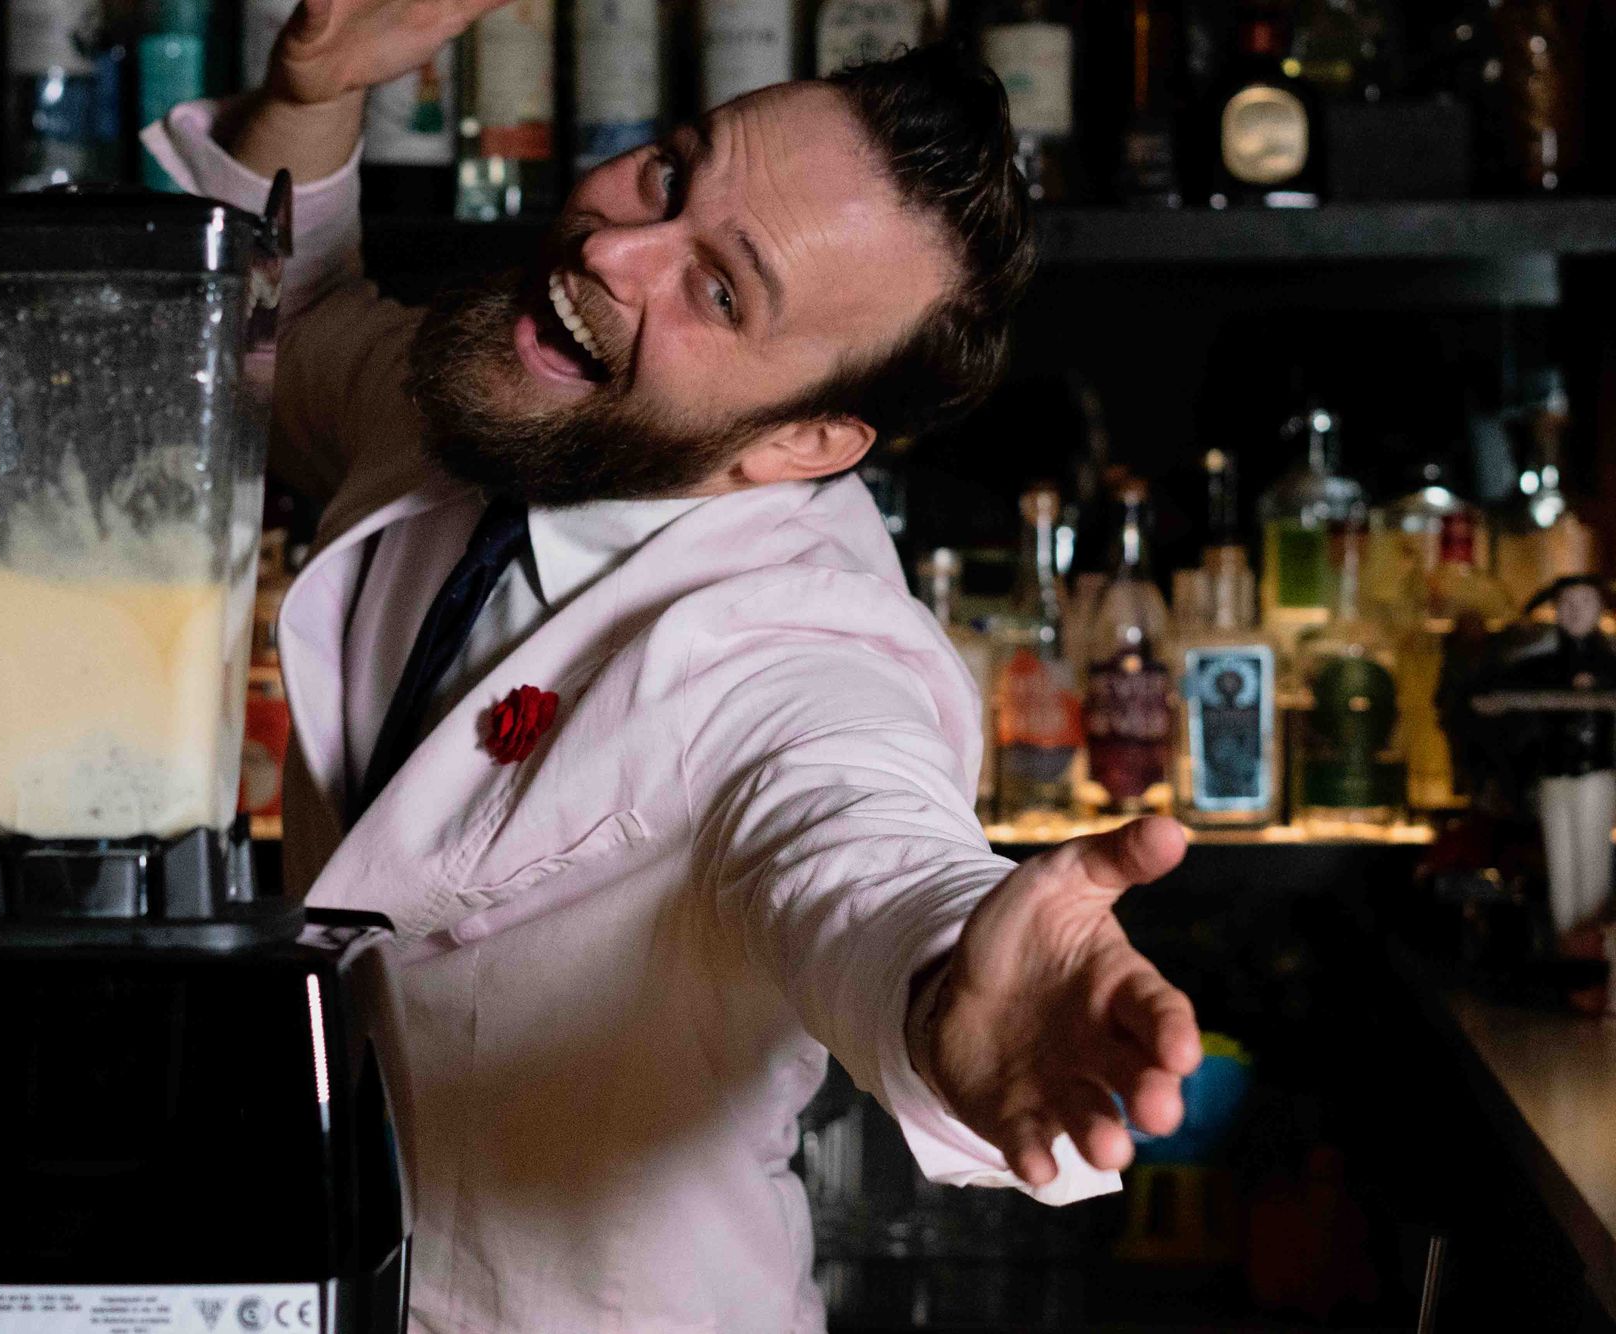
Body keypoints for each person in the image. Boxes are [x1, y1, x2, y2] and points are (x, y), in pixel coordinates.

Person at [145, 10, 1203, 1330]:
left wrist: (939, 987)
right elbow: (287, 318)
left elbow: (854, 841)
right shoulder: (497, 395)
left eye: (720, 289)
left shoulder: (807, 647)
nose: (613, 248)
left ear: (805, 441)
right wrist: (317, 85)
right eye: (669, 171)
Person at [1473, 575, 1616, 939]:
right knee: (1560, 863)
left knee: (1593, 861)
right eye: (1565, 603)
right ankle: (1566, 940)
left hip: (1594, 775)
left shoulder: (1608, 665)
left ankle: (1589, 943)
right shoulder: (1540, 666)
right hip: (1553, 775)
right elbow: (1494, 688)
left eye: (1584, 602)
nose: (1574, 611)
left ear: (1600, 608)